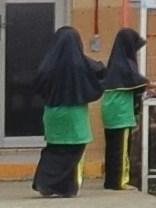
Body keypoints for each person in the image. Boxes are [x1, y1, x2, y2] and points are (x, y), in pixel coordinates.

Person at [20, 18, 101, 197]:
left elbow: (38, 84)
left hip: (53, 113)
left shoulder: (48, 65)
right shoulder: (82, 64)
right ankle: (63, 187)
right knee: (74, 151)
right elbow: (101, 73)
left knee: (54, 150)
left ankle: (45, 182)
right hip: (75, 114)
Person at [95, 25, 149, 192]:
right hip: (121, 112)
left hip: (109, 109)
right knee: (121, 148)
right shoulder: (126, 65)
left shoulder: (113, 63)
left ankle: (110, 181)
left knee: (112, 148)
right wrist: (153, 85)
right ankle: (120, 181)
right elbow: (137, 82)